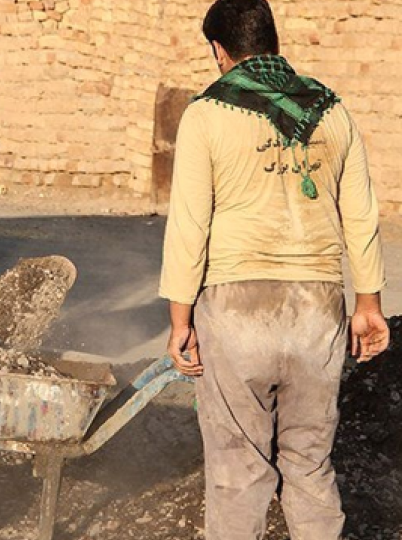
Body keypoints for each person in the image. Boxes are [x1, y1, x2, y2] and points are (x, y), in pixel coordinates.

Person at [160, 1, 389, 538]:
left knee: (238, 471)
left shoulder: (207, 113)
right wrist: (368, 305)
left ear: (220, 49)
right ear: (272, 40)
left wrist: (179, 321)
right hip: (317, 311)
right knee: (309, 464)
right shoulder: (333, 112)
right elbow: (360, 215)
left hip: (238, 313)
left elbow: (189, 225)